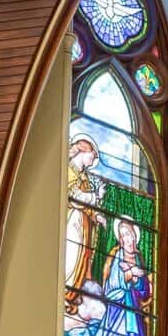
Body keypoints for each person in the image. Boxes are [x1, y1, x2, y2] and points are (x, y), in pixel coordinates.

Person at [67, 218, 152, 336]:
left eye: (129, 234)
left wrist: (137, 280)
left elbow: (144, 291)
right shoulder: (117, 255)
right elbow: (112, 286)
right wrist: (128, 276)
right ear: (120, 239)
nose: (128, 238)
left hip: (134, 306)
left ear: (134, 236)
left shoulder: (139, 258)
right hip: (117, 306)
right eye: (124, 235)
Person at [63, 136, 105, 325]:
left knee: (82, 258)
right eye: (93, 156)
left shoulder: (85, 179)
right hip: (71, 223)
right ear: (84, 149)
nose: (93, 161)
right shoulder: (68, 169)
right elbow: (73, 196)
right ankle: (65, 291)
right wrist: (96, 196)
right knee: (71, 256)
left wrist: (97, 216)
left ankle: (72, 295)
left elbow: (87, 206)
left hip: (84, 225)